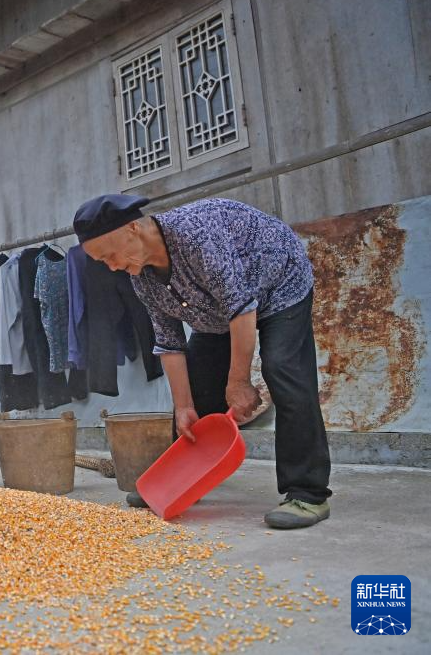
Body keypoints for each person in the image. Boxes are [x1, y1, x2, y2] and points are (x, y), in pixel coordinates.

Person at [73, 194, 332, 529]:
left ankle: (308, 494)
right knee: (197, 387)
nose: (111, 266)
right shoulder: (142, 278)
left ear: (133, 228)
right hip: (217, 313)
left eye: (109, 256)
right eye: (102, 262)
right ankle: (179, 485)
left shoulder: (195, 235)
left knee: (283, 367)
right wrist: (183, 406)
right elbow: (168, 342)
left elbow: (242, 309)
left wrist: (238, 381)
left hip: (279, 287)